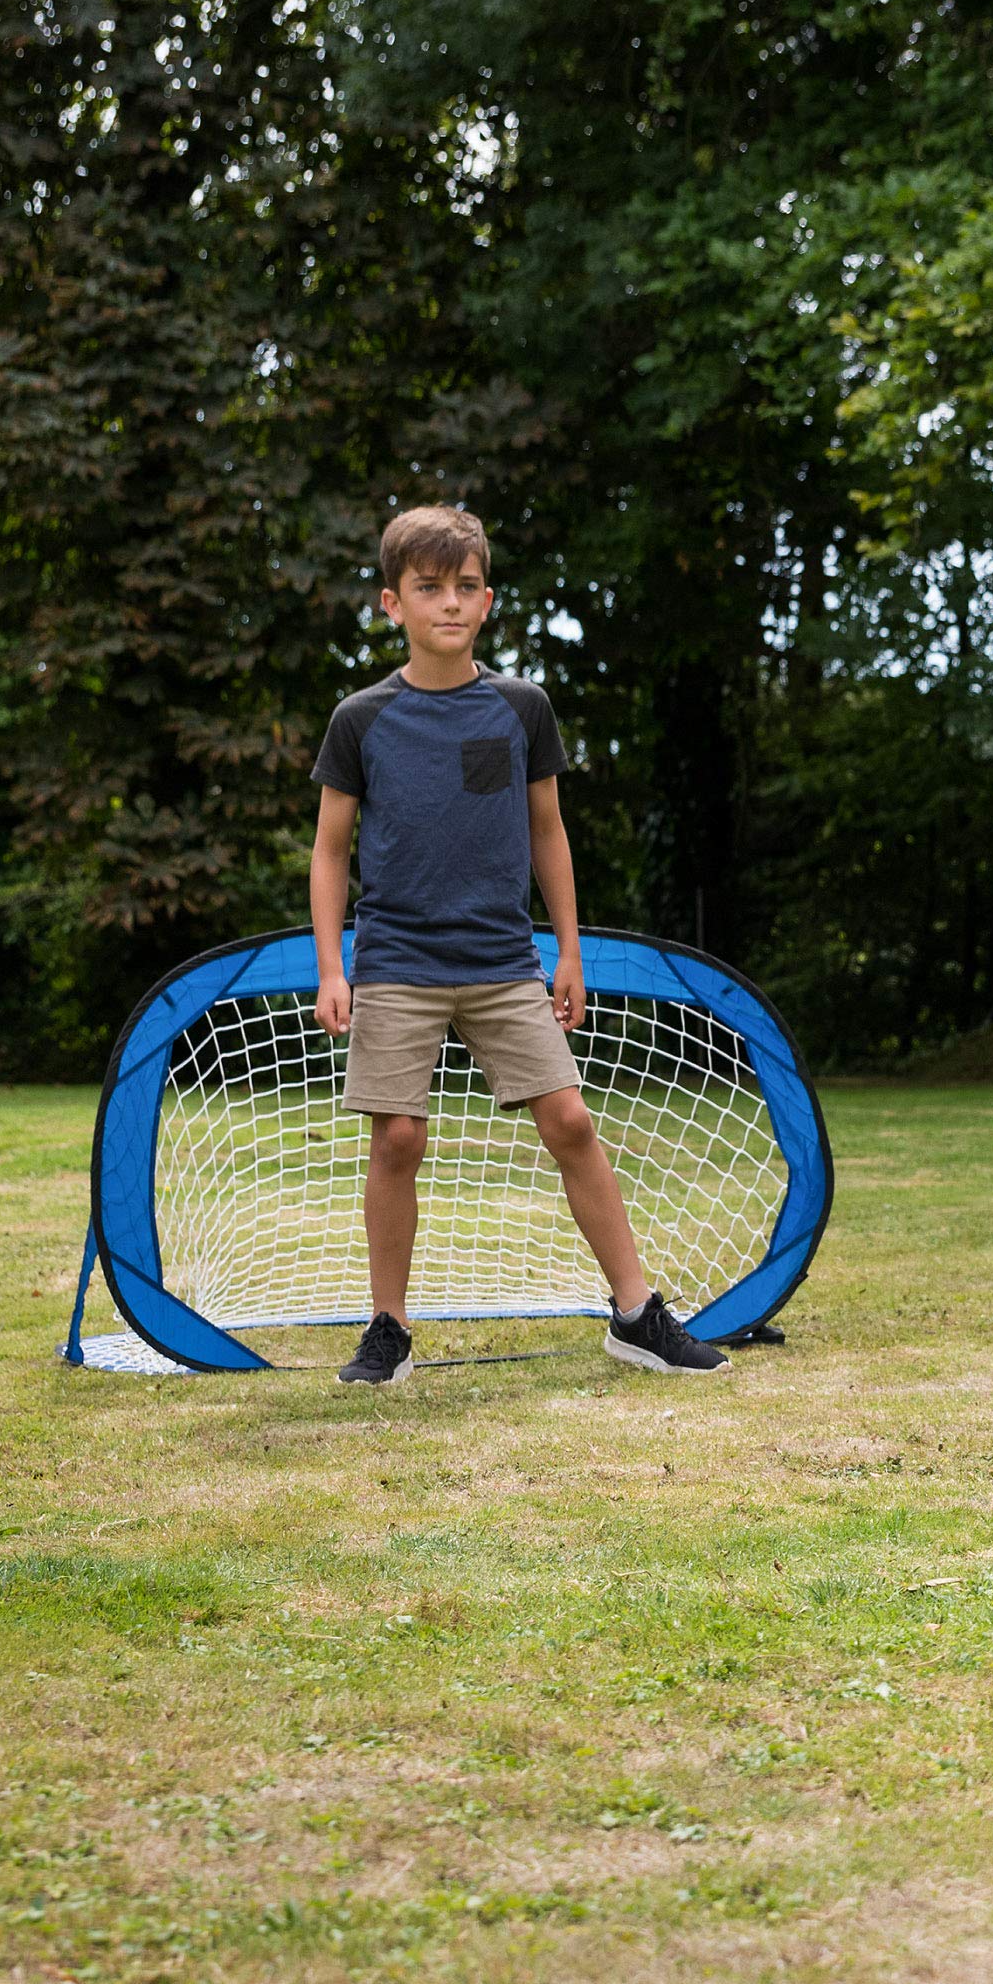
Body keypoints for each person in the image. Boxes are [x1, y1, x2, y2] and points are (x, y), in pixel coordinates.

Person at [307, 503, 727, 1384]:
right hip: (394, 964)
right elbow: (330, 849)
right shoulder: (361, 719)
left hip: (504, 961)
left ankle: (636, 1314)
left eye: (465, 588)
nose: (449, 604)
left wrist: (567, 952)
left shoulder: (520, 708)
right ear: (393, 604)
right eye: (429, 589)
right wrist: (330, 966)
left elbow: (548, 833)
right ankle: (387, 1329)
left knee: (570, 1120)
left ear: (488, 601)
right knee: (397, 1140)